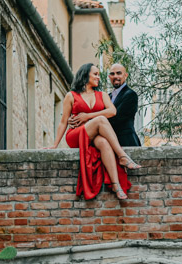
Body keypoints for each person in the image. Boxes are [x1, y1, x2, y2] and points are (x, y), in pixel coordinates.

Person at [49, 63, 141, 200]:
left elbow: (113, 111)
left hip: (94, 134)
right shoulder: (71, 95)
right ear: (86, 75)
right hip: (76, 134)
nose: (99, 77)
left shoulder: (102, 95)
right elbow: (63, 122)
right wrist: (55, 144)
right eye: (95, 74)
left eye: (99, 74)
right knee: (101, 120)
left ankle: (116, 185)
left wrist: (87, 116)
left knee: (104, 142)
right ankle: (122, 156)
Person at [106, 63, 141, 147]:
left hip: (127, 143)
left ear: (125, 76)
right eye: (112, 74)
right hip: (110, 144)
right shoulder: (108, 97)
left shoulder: (131, 95)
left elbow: (117, 119)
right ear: (109, 77)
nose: (115, 76)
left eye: (119, 73)